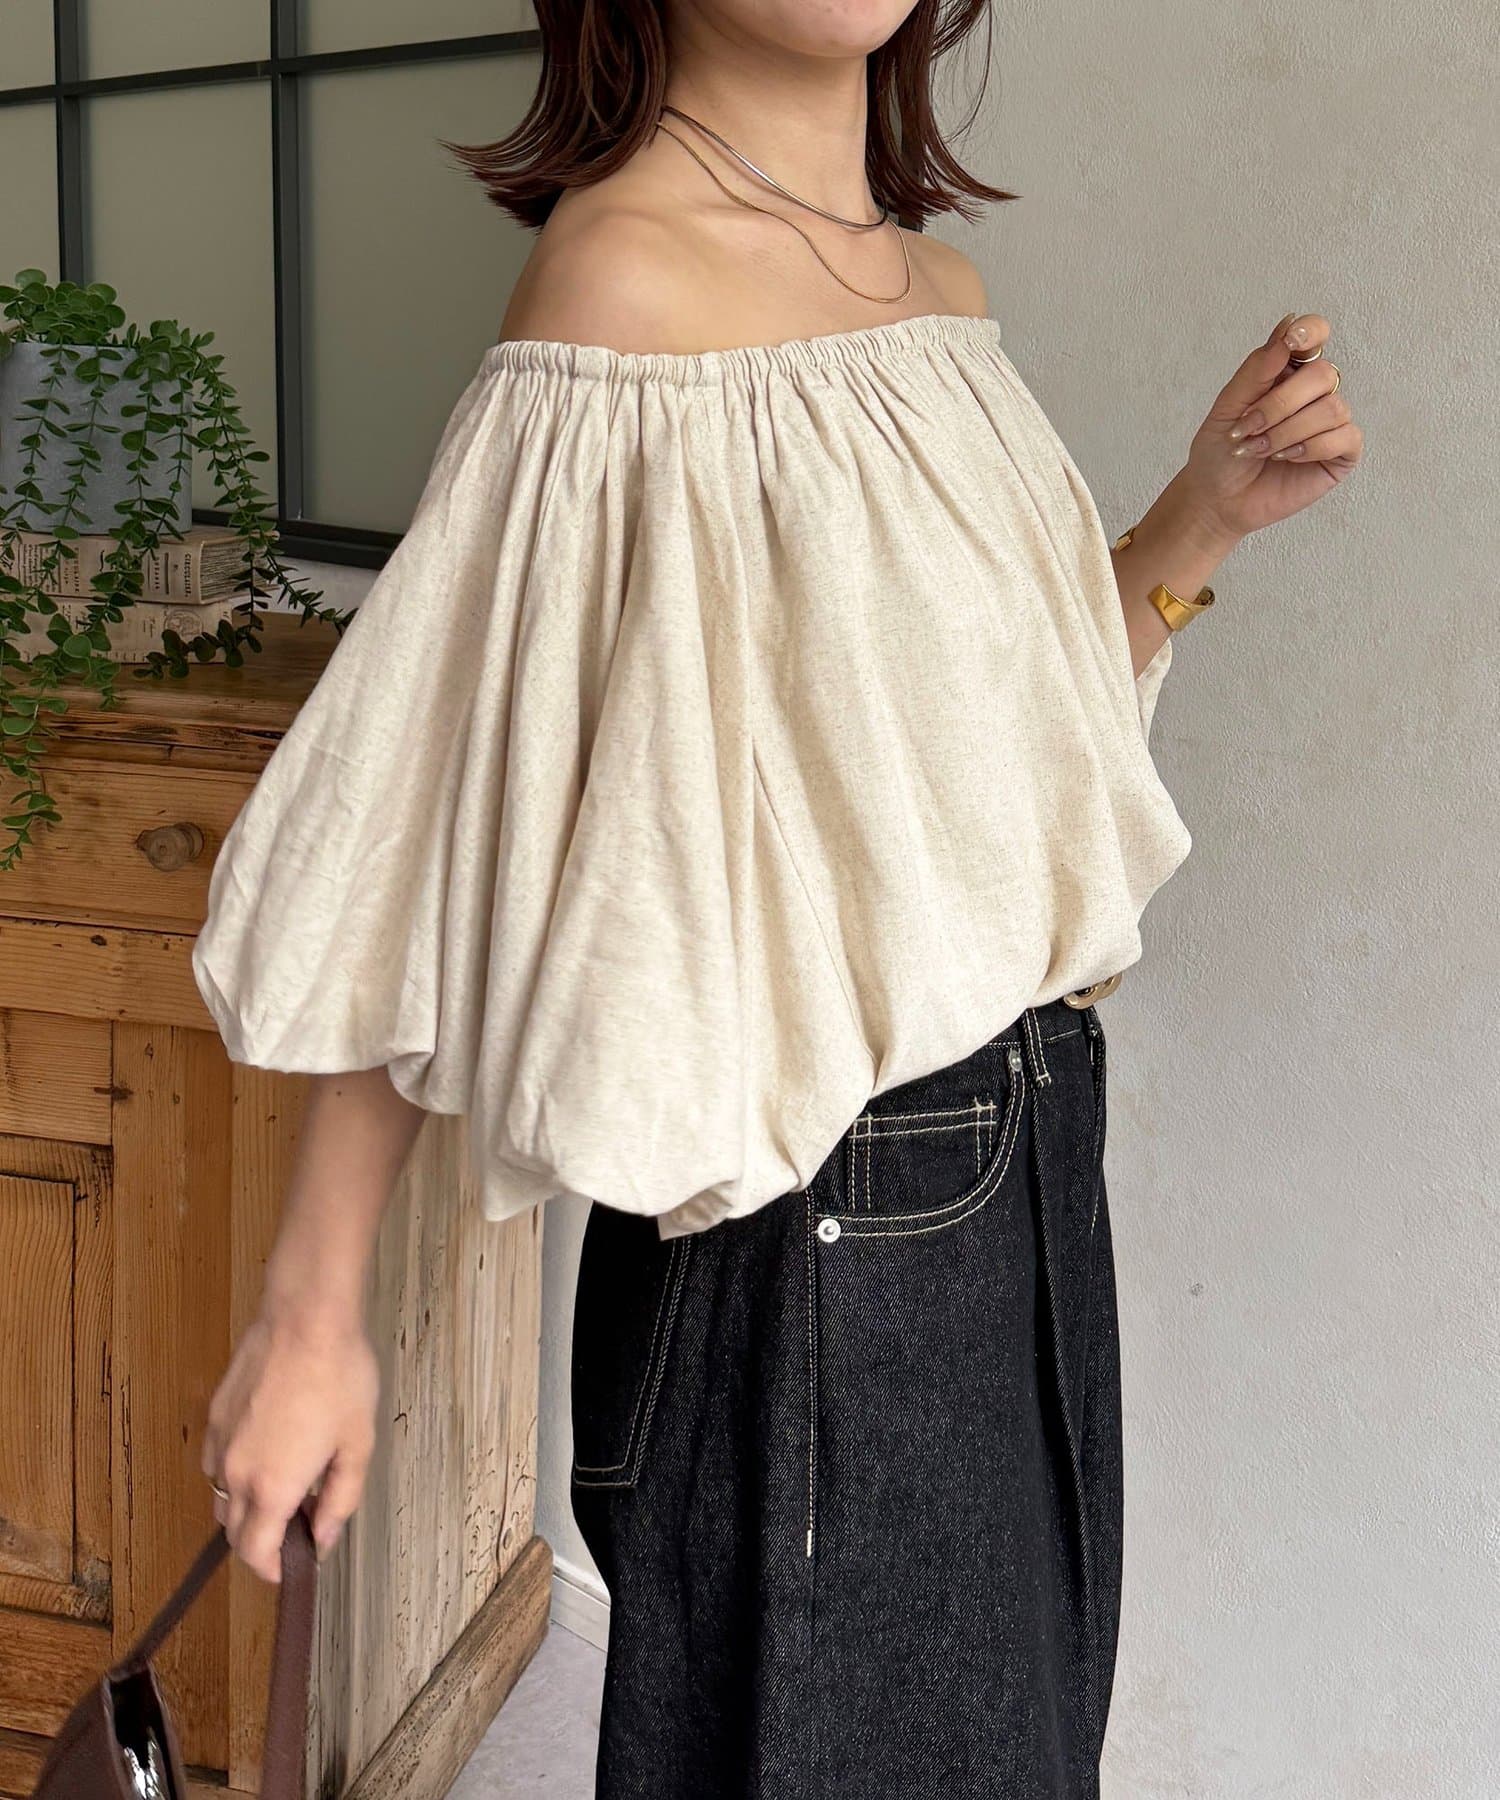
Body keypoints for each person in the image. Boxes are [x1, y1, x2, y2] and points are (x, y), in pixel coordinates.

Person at [193, 3, 1363, 1794]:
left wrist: (1200, 520)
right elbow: (416, 835)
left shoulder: (938, 302)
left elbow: (996, 767)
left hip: (1030, 1182)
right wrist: (311, 1310)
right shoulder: (624, 295)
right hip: (816, 1248)